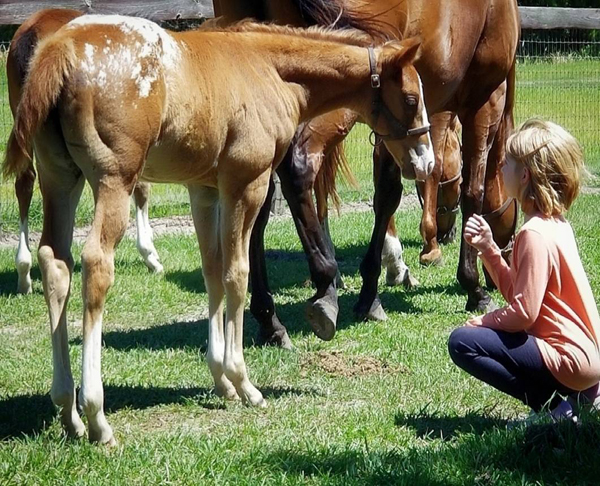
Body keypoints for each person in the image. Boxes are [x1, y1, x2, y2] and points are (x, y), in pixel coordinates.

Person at [448, 119, 600, 422]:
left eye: (507, 164)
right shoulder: (555, 224)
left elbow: (523, 315)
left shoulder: (533, 234)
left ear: (525, 175)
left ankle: (555, 408)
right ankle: (583, 397)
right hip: (589, 359)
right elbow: (521, 295)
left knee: (462, 342)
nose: (501, 170)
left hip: (569, 360)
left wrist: (484, 320)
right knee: (478, 336)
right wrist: (489, 250)